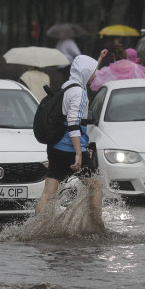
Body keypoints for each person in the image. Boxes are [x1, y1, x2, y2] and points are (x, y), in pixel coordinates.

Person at [35, 52, 106, 229]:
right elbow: (74, 124)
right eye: (93, 71)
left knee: (48, 193)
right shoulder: (79, 93)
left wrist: (84, 142)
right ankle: (97, 227)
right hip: (70, 149)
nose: (95, 74)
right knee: (96, 185)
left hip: (55, 147)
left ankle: (36, 228)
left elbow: (70, 122)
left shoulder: (66, 87)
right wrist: (78, 153)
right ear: (85, 72)